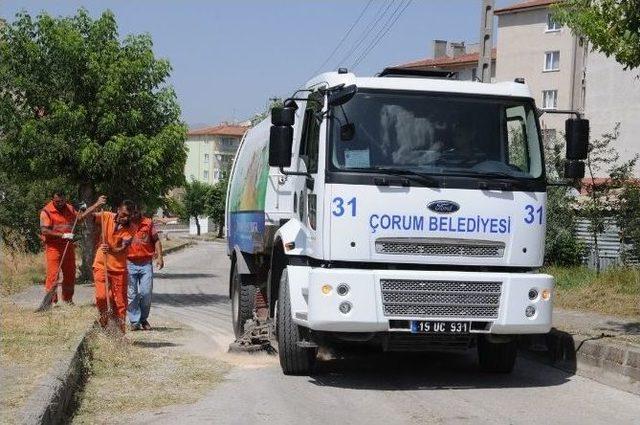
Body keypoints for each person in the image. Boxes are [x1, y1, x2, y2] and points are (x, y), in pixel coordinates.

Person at [39, 190, 106, 305]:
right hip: (53, 247)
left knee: (70, 274)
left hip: (68, 245)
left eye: (62, 201)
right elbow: (44, 230)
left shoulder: (69, 208)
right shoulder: (46, 211)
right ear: (52, 200)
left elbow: (79, 219)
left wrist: (96, 205)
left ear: (65, 199)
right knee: (53, 275)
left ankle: (68, 300)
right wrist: (63, 235)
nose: (60, 203)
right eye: (57, 201)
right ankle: (51, 302)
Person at [92, 200, 136, 333]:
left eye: (128, 215)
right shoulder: (106, 216)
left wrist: (110, 248)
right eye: (123, 214)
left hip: (119, 269)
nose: (125, 218)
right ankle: (104, 324)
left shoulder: (131, 228)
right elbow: (86, 217)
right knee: (101, 297)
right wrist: (96, 204)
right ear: (118, 210)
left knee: (120, 303)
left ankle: (119, 334)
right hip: (101, 265)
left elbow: (122, 248)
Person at [127, 208, 164, 331]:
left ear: (140, 213)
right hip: (129, 263)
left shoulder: (148, 223)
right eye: (131, 214)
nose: (133, 216)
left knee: (146, 293)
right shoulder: (126, 223)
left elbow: (156, 240)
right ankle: (134, 321)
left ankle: (143, 319)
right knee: (131, 294)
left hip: (145, 264)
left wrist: (160, 257)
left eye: (136, 213)